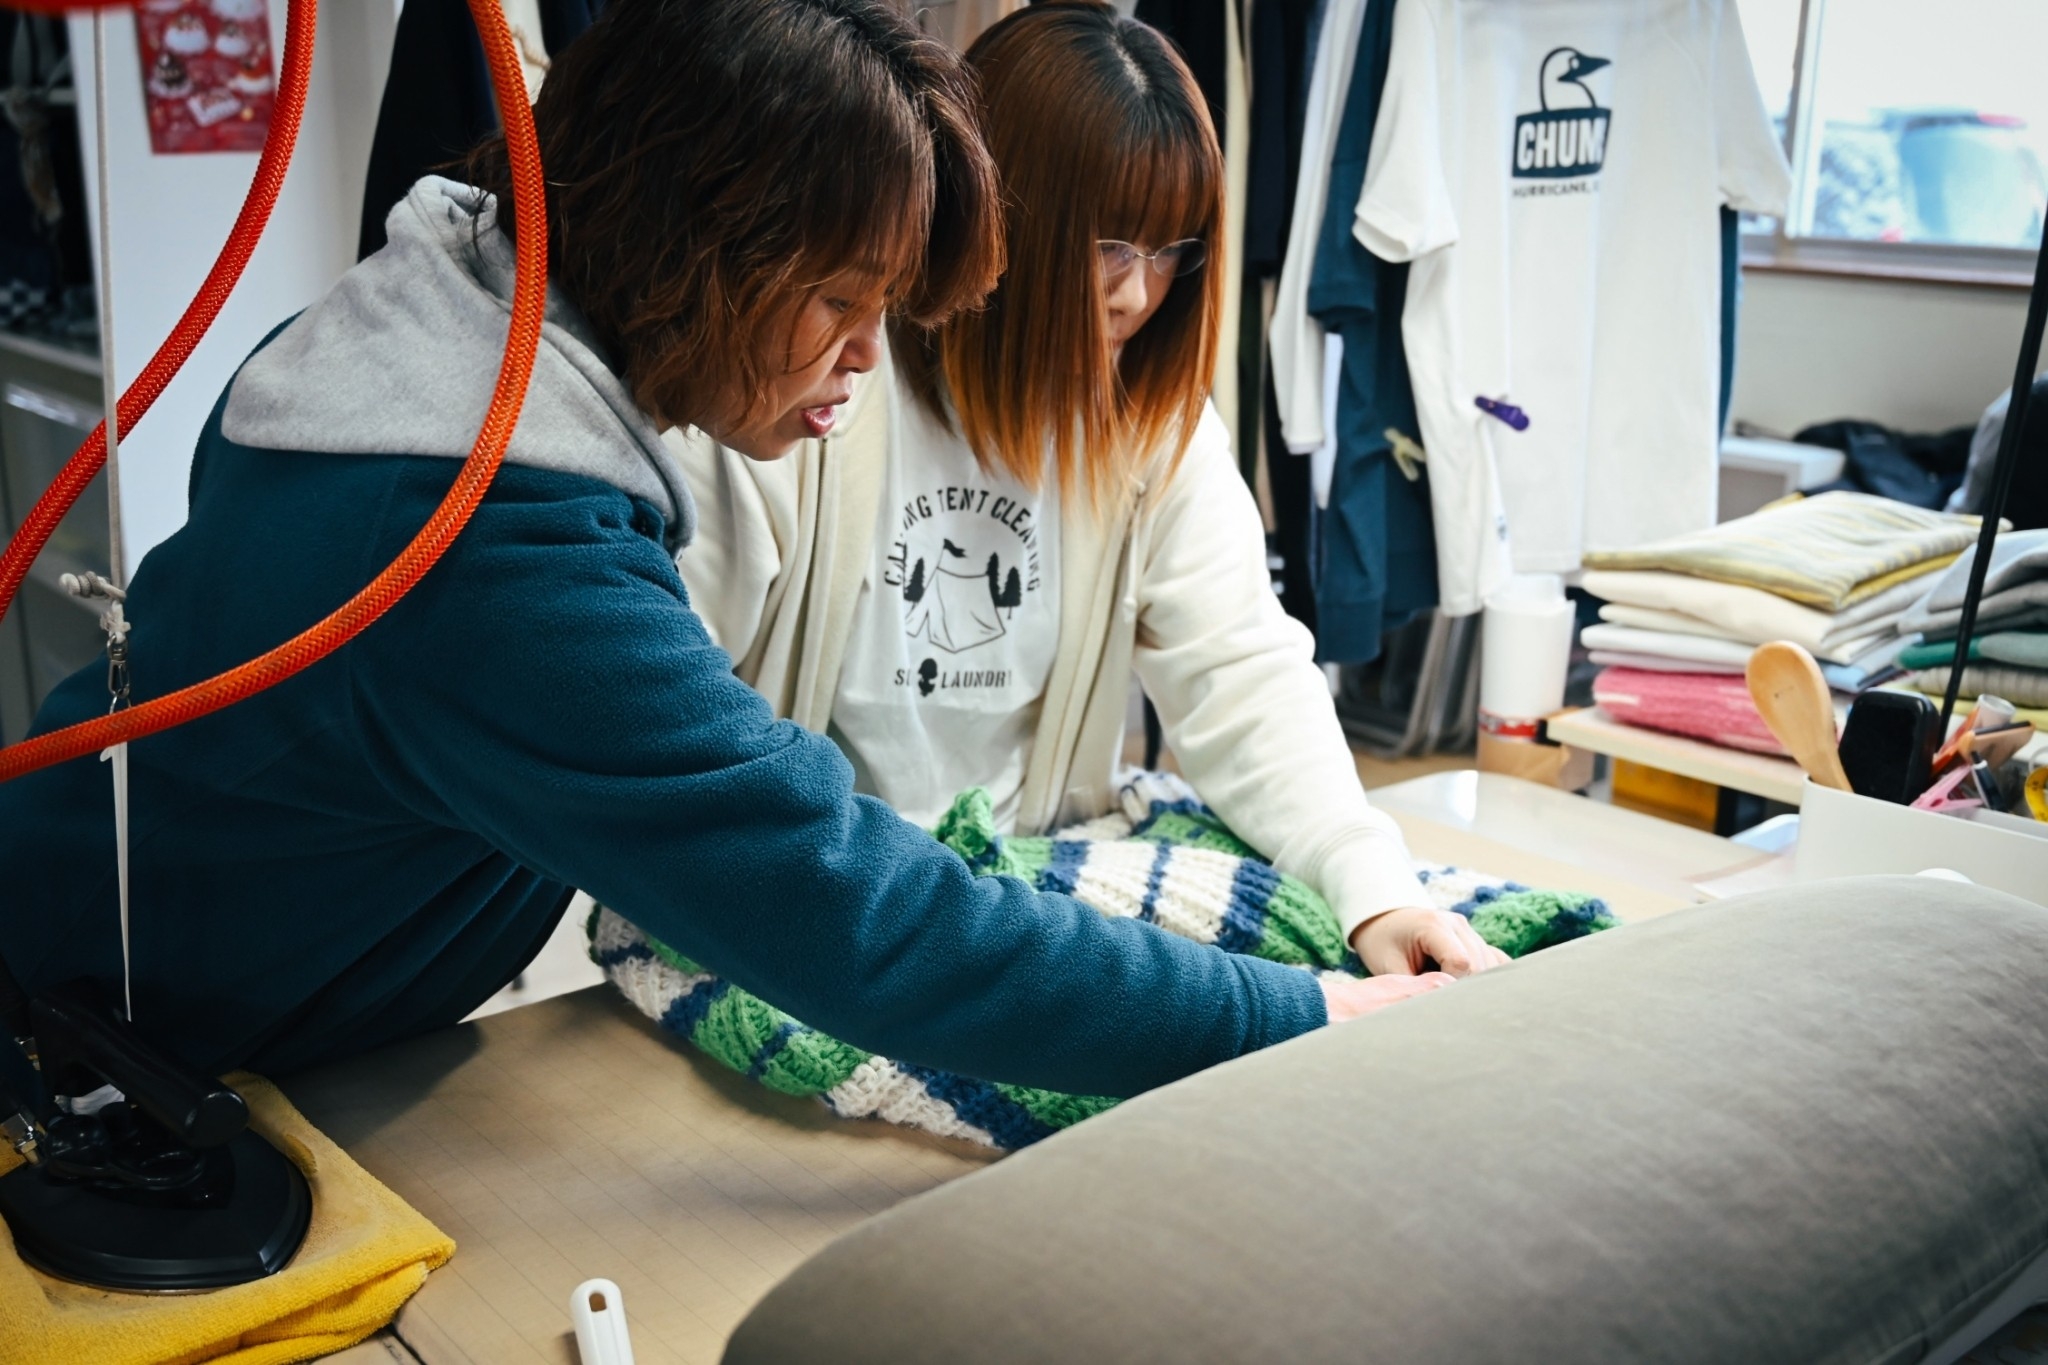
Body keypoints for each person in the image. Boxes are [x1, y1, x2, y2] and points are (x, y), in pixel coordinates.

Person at [0, 0, 1450, 1102]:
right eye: (840, 299)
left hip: (198, 992)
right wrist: (1297, 1015)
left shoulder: (412, 356)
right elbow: (854, 910)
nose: (869, 356)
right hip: (81, 1030)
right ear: (701, 246)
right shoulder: (494, 549)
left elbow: (1233, 663)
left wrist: (1362, 874)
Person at [674, 1, 1503, 979]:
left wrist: (1376, 890)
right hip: (820, 889)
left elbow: (1240, 673)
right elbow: (679, 695)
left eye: (1170, 250)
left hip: (1031, 895)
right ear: (996, 210)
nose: (1137, 295)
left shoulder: (1152, 430)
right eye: (1109, 244)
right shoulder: (809, 389)